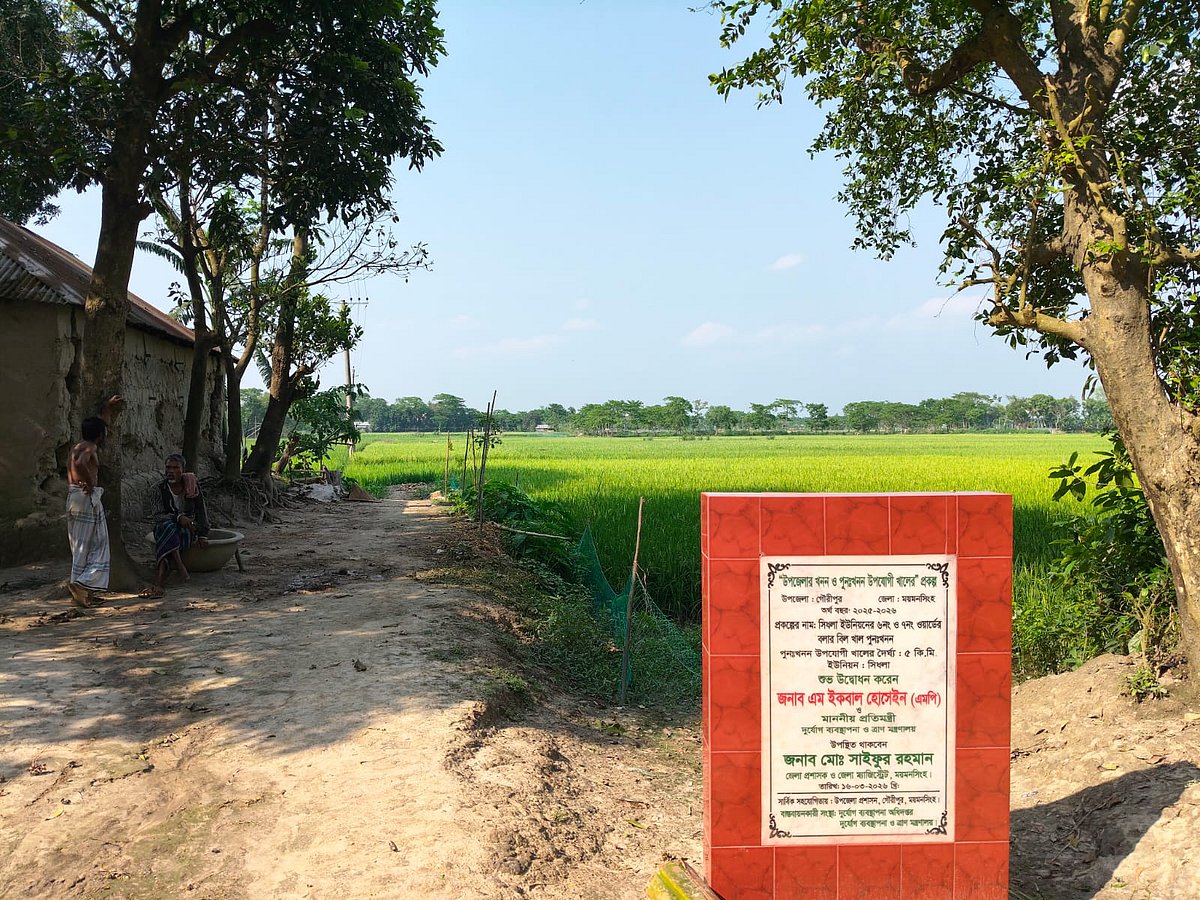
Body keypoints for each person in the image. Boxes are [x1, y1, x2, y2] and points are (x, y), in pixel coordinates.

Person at [66, 395, 124, 607]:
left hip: (73, 498)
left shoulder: (76, 445)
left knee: (80, 545)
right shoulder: (90, 448)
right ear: (100, 436)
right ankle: (83, 583)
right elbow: (81, 463)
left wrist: (107, 407)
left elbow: (100, 422)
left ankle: (82, 591)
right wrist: (89, 482)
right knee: (98, 543)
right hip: (85, 498)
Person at [144, 454, 210, 597]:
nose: (171, 471)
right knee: (168, 527)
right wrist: (178, 517)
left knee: (172, 532)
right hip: (164, 527)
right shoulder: (158, 489)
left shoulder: (192, 486)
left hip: (186, 530)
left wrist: (202, 534)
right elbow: (157, 515)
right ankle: (179, 566)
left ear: (183, 470)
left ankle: (160, 579)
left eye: (175, 468)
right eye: (168, 468)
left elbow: (201, 510)